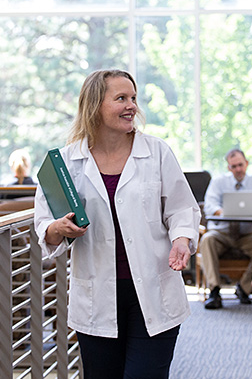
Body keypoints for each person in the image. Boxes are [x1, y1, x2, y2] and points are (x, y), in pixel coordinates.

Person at [34, 69, 200, 379]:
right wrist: (59, 229)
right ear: (95, 105)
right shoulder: (66, 162)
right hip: (97, 296)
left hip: (153, 292)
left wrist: (181, 240)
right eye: (121, 98)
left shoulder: (157, 152)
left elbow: (181, 209)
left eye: (134, 98)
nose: (132, 106)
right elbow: (44, 223)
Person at [200, 148, 252, 309]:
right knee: (207, 240)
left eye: (240, 165)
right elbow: (210, 205)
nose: (238, 169)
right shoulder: (219, 182)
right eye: (234, 166)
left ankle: (244, 288)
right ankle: (214, 291)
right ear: (228, 167)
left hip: (246, 235)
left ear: (246, 164)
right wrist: (224, 212)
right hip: (223, 233)